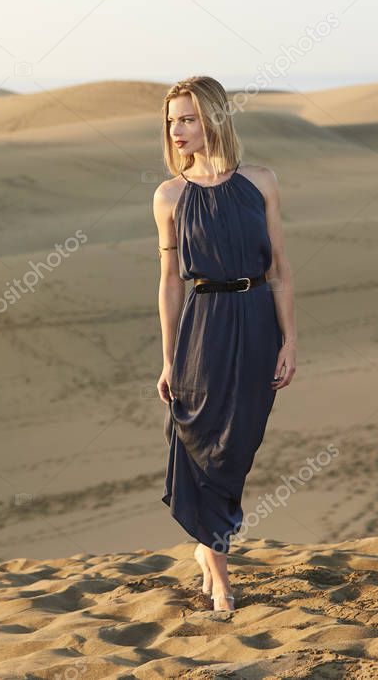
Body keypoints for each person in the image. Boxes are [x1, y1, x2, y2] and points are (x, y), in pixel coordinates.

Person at [152, 76, 298, 612]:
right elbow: (170, 282)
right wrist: (169, 359)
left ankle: (207, 546)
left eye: (187, 118)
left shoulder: (260, 182)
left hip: (257, 320)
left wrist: (290, 339)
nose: (178, 130)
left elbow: (279, 266)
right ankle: (217, 568)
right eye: (172, 121)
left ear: (213, 117)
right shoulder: (169, 196)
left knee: (237, 448)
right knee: (196, 443)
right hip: (201, 326)